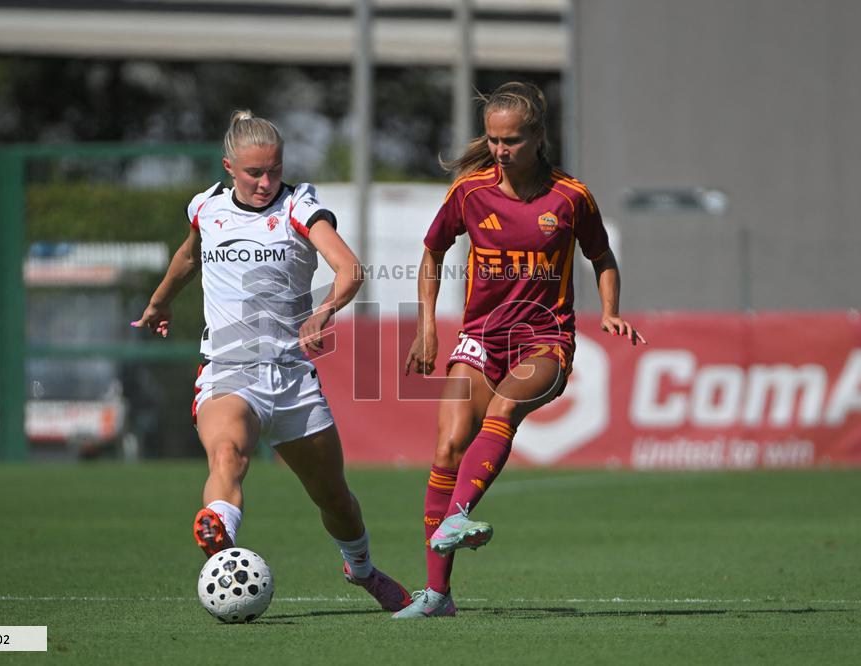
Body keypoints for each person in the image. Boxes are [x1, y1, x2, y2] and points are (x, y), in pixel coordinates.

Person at [132, 110, 411, 612]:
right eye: (253, 173)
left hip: (291, 378)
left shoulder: (300, 208)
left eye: (273, 171)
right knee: (228, 454)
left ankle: (361, 569)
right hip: (228, 369)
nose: (265, 182)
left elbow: (350, 268)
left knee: (334, 498)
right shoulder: (206, 207)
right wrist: (160, 301)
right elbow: (188, 258)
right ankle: (220, 536)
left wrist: (324, 310)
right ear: (229, 168)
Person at [393, 82, 646, 619]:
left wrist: (610, 310)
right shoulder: (469, 192)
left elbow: (603, 257)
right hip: (481, 337)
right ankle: (438, 597)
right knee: (445, 450)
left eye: (511, 140)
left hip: (545, 341)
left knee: (504, 408)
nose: (501, 151)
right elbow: (432, 252)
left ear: (538, 137)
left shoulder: (571, 196)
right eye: (493, 140)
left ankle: (457, 516)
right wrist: (427, 329)